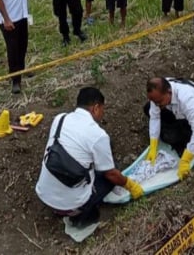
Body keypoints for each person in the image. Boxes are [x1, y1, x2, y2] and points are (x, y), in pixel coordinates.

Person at [35, 87, 144, 228]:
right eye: (103, 109)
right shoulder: (98, 135)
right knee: (110, 177)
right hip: (70, 205)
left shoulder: (59, 119)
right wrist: (131, 185)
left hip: (44, 195)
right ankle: (81, 215)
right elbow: (111, 174)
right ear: (96, 108)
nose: (102, 114)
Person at [144, 77, 194, 180]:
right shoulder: (160, 92)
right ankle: (182, 134)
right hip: (180, 113)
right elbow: (155, 116)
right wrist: (153, 145)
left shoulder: (186, 98)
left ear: (169, 92)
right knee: (148, 108)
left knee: (171, 137)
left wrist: (186, 159)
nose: (157, 105)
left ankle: (192, 145)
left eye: (159, 101)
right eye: (155, 102)